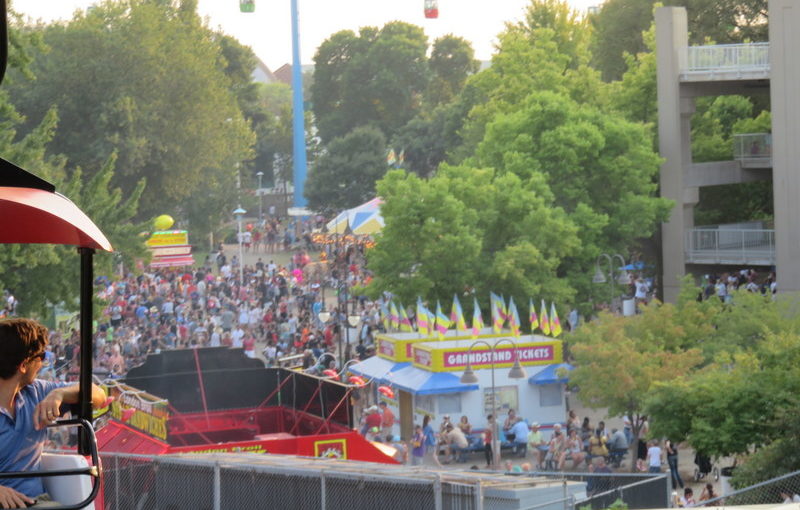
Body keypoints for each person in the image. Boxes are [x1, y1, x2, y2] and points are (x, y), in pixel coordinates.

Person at [1, 319, 106, 508]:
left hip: (34, 501)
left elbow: (98, 394)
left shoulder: (37, 391)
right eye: (40, 356)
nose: (43, 363)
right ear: (24, 365)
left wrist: (59, 394)